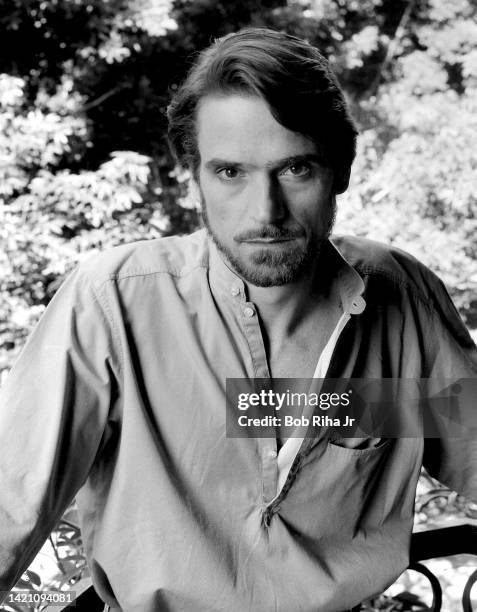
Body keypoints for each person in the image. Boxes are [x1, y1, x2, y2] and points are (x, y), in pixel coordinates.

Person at [0, 27, 476, 612]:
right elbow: (10, 505)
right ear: (193, 177)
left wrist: (348, 413)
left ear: (341, 171)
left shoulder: (399, 299)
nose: (266, 212)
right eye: (231, 173)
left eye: (296, 169)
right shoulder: (113, 304)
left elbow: (464, 440)